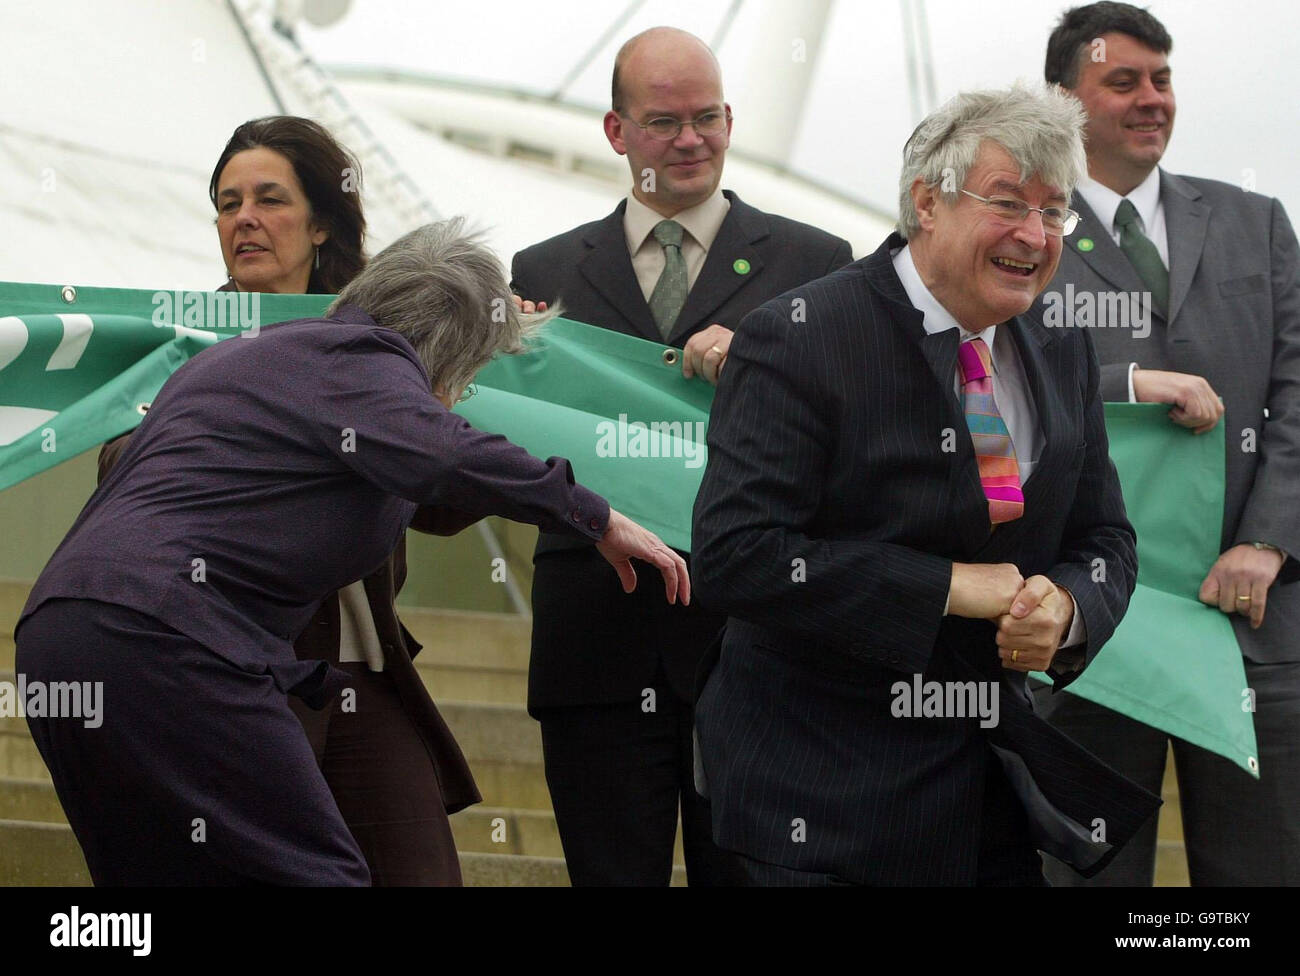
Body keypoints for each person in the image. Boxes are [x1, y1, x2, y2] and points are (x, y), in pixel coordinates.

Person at [16, 218, 690, 886]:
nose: (465, 393)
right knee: (317, 875)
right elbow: (445, 453)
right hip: (171, 639)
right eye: (476, 366)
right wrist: (594, 516)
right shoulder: (362, 364)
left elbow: (428, 483)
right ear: (452, 348)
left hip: (63, 637)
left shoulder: (265, 357)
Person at [691, 84, 1160, 886]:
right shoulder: (800, 336)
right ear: (927, 203)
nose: (1034, 234)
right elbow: (737, 556)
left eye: (1054, 213)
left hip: (989, 790)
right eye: (1008, 202)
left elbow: (1105, 537)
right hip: (822, 799)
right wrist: (947, 586)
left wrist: (1071, 607)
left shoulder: (1060, 342)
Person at [509, 26, 853, 886]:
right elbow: (517, 449)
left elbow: (860, 443)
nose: (691, 140)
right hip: (597, 648)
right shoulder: (541, 274)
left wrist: (768, 365)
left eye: (707, 117)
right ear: (617, 132)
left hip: (756, 649)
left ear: (732, 120)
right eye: (665, 121)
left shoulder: (819, 268)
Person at [98, 116, 481, 886]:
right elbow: (120, 469)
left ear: (320, 226)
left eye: (269, 199)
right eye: (228, 202)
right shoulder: (180, 341)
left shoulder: (386, 340)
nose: (244, 218)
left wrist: (465, 368)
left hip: (367, 676)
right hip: (237, 673)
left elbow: (443, 504)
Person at [1032, 2, 1300, 886]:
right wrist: (1129, 386)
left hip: (1252, 624)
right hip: (1089, 624)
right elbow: (984, 375)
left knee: (1260, 876)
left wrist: (1265, 543)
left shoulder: (1258, 222)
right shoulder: (1020, 236)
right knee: (1088, 872)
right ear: (1063, 102)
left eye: (1162, 79)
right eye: (1124, 82)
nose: (1153, 99)